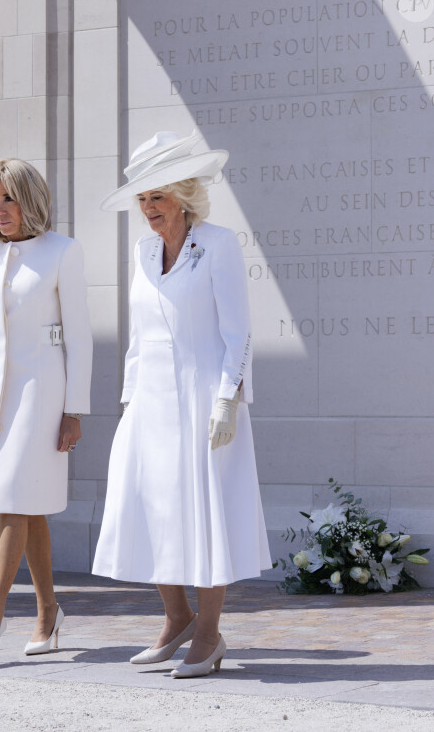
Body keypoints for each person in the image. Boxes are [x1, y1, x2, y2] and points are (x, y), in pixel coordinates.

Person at [92, 130, 272, 678]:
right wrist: (127, 403)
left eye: (158, 196)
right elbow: (138, 337)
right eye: (142, 198)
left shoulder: (217, 244)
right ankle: (177, 618)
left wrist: (227, 400)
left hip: (203, 402)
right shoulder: (144, 252)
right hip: (150, 404)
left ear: (185, 196)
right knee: (149, 505)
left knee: (206, 512)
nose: (148, 208)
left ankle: (211, 634)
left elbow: (237, 332)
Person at [0, 158, 93, 658]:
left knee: (11, 498)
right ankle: (48, 613)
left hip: (43, 391)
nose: (1, 210)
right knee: (28, 506)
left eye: (9, 198)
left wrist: (75, 409)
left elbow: (80, 338)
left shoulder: (62, 252)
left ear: (31, 199)